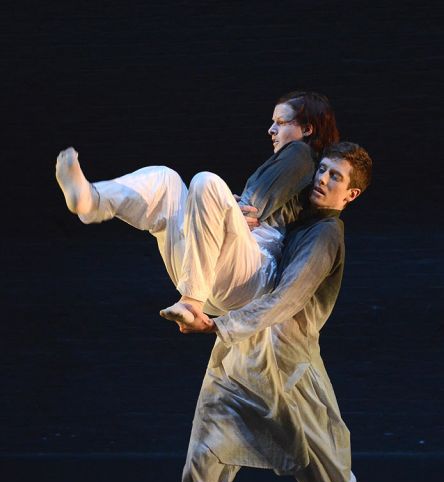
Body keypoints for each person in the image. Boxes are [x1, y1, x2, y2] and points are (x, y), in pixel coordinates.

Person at [169, 142, 385, 482]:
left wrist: (219, 326)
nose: (322, 179)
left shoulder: (325, 235)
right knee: (203, 467)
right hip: (237, 363)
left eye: (335, 177)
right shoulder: (294, 211)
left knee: (331, 478)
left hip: (289, 374)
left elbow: (286, 299)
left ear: (351, 194)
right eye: (323, 170)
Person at [55, 92, 339, 323]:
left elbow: (251, 207)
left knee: (206, 182)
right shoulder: (296, 165)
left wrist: (234, 205)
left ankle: (191, 302)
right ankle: (92, 200)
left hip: (253, 274)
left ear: (307, 129)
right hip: (210, 275)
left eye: (280, 122)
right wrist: (226, 208)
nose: (271, 129)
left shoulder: (302, 154)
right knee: (166, 179)